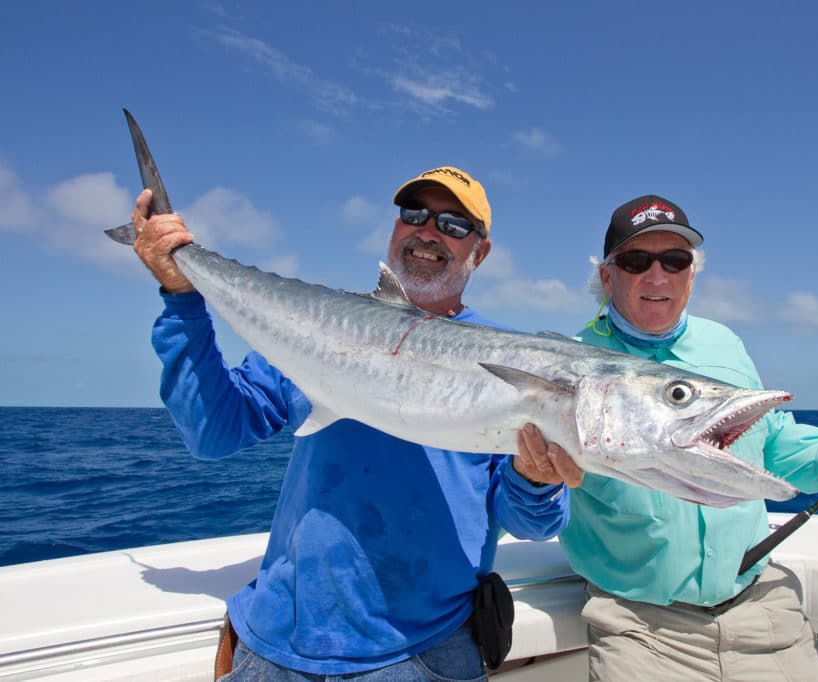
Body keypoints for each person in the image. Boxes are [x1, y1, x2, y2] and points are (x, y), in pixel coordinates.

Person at [128, 166, 579, 680]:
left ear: (481, 250)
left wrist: (535, 480)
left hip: (423, 652)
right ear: (395, 229)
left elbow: (531, 523)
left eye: (454, 224)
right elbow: (213, 432)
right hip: (278, 642)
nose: (429, 231)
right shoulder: (319, 327)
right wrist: (182, 298)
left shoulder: (513, 360)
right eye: (415, 215)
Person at [553, 194, 818, 681]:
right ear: (607, 275)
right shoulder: (567, 364)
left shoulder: (724, 344)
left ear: (692, 274)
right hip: (640, 626)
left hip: (760, 608)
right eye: (637, 261)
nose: (657, 277)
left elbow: (768, 440)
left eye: (675, 261)